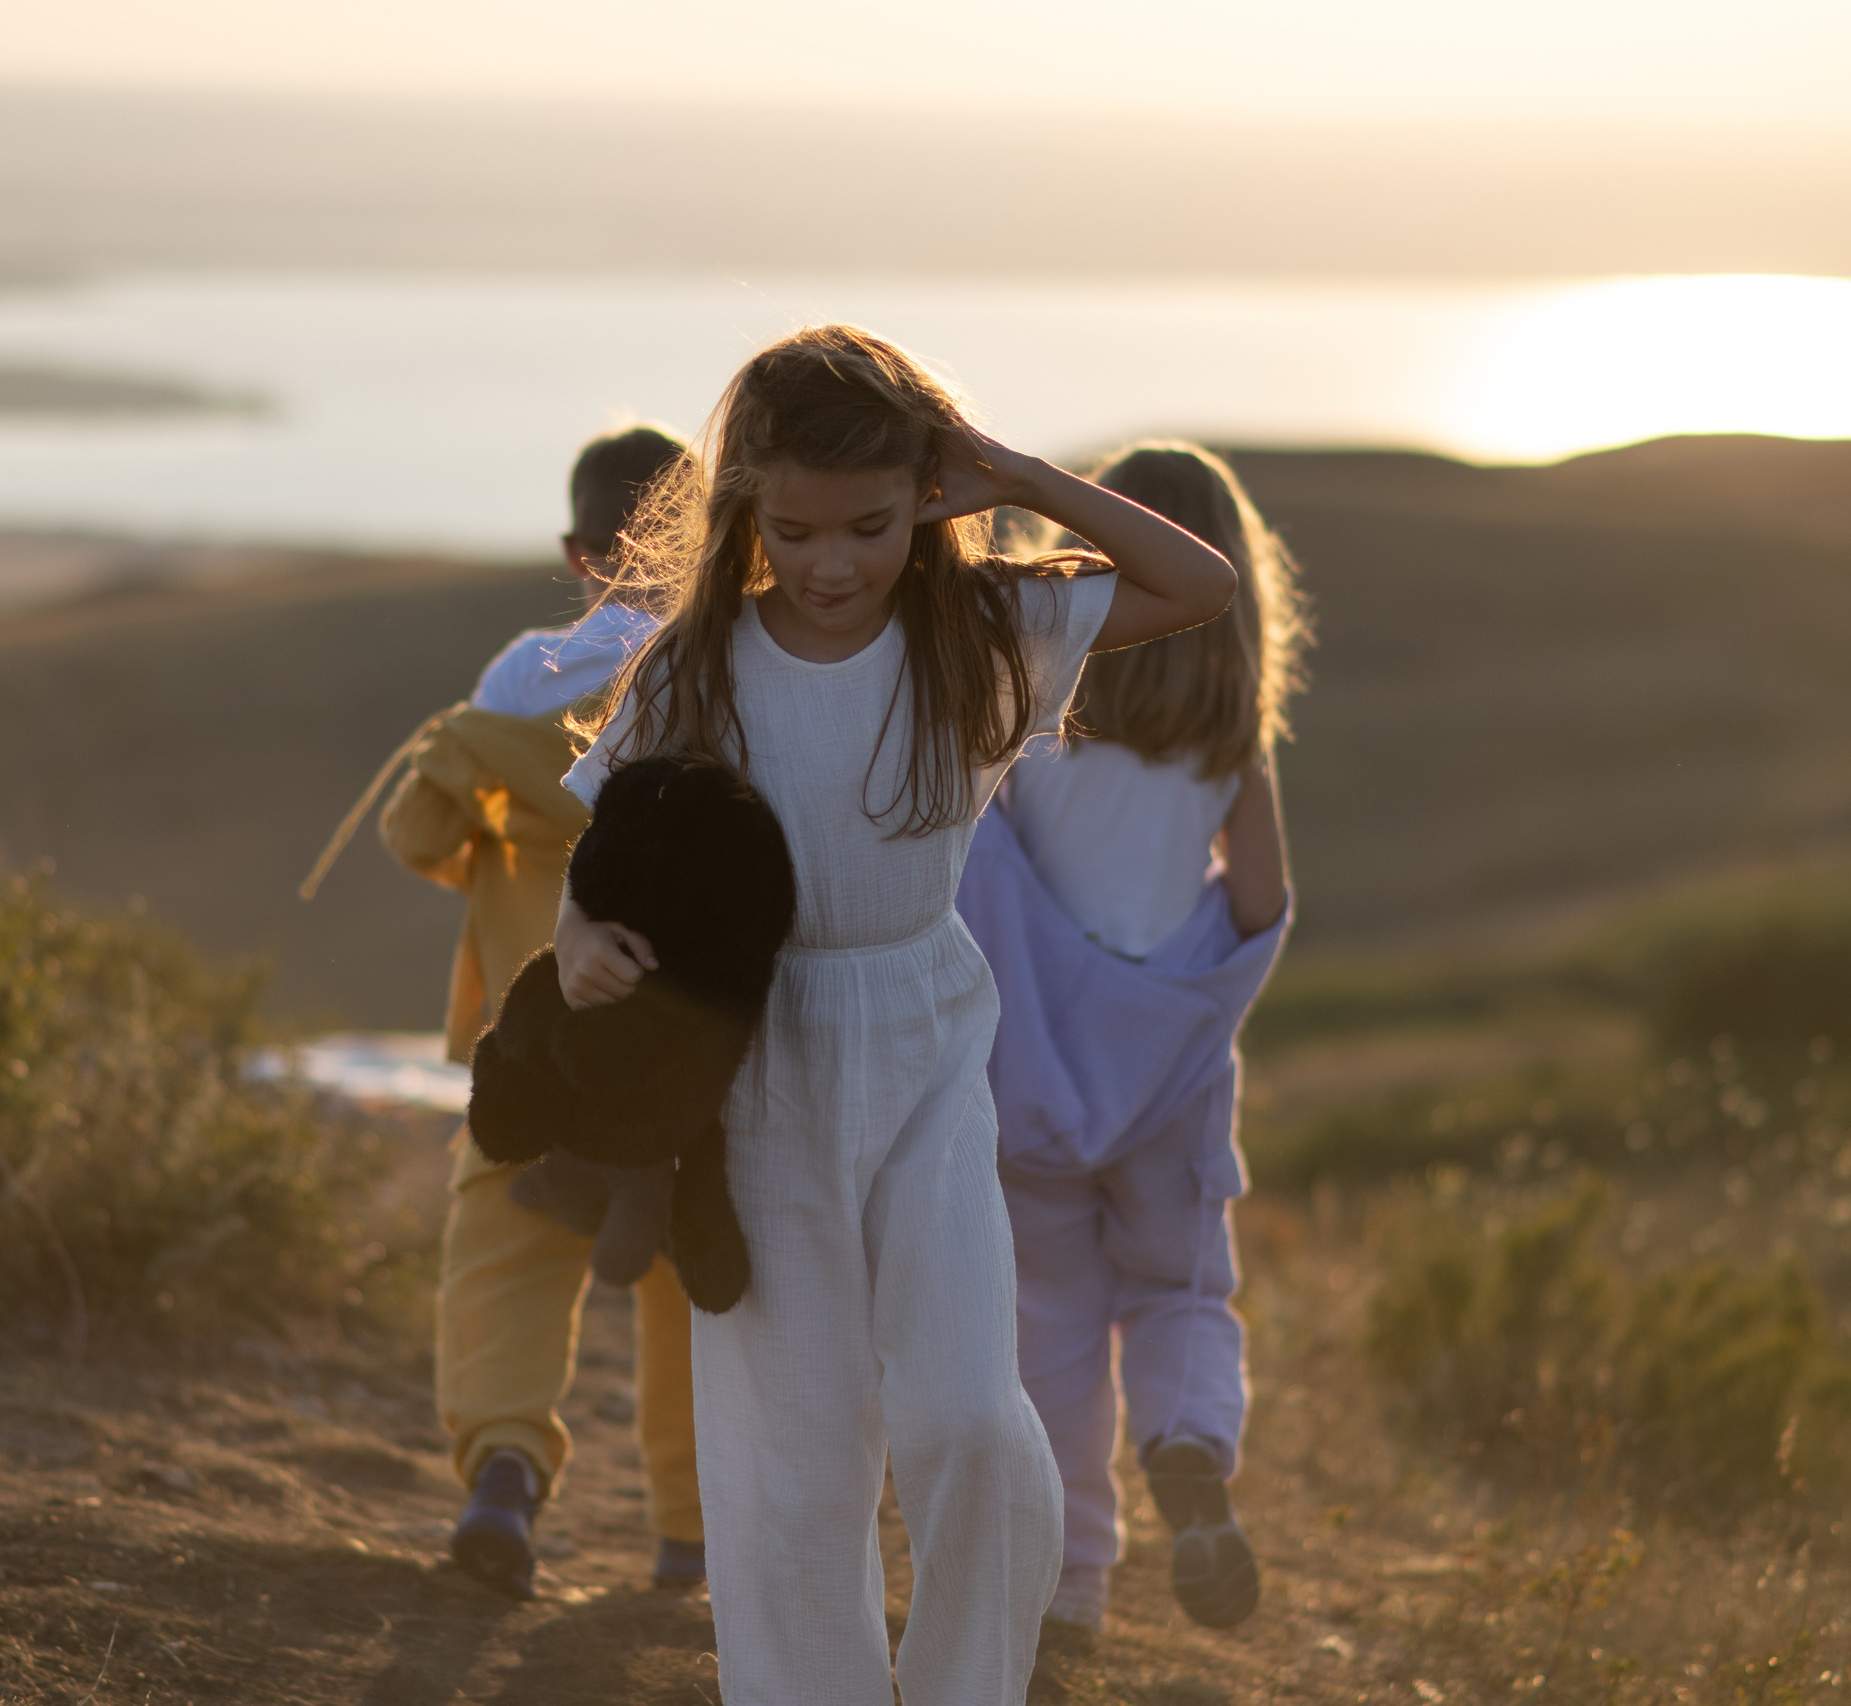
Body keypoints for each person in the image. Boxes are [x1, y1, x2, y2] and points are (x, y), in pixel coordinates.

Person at [555, 326, 1236, 1706]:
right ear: (748, 508)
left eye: (867, 525)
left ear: (927, 500)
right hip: (757, 1064)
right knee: (795, 1458)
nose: (827, 564)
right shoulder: (701, 662)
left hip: (929, 1045)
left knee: (972, 1420)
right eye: (792, 528)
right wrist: (577, 935)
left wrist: (1017, 475)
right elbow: (600, 847)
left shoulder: (989, 633)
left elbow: (1198, 582)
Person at [305, 425, 705, 1598]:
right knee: (693, 1289)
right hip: (675, 1054)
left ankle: (505, 1475)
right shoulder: (716, 677)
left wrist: (479, 794)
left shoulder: (518, 682)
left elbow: (419, 835)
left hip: (527, 1052)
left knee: (502, 1267)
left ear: (578, 553)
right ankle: (690, 1536)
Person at [956, 442, 1305, 1635]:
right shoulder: (1231, 739)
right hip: (1169, 1080)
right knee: (1181, 1288)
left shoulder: (1034, 712)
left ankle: (1072, 1586)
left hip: (1034, 1072)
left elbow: (976, 864)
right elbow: (1259, 903)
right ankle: (1190, 1444)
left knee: (1049, 1325)